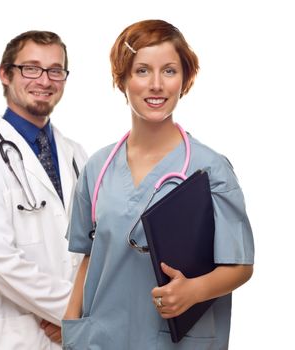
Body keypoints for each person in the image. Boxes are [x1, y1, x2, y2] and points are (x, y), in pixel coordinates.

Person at [62, 19, 254, 349]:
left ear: (185, 80)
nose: (156, 85)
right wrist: (71, 328)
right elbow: (90, 258)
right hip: (100, 339)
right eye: (141, 71)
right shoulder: (98, 167)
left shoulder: (210, 169)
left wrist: (194, 291)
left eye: (169, 71)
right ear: (122, 79)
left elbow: (240, 266)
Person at [0, 30, 87, 350]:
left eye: (56, 70)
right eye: (31, 68)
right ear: (5, 74)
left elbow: (95, 247)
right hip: (13, 338)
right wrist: (73, 310)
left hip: (76, 336)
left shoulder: (77, 155)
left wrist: (82, 315)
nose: (45, 80)